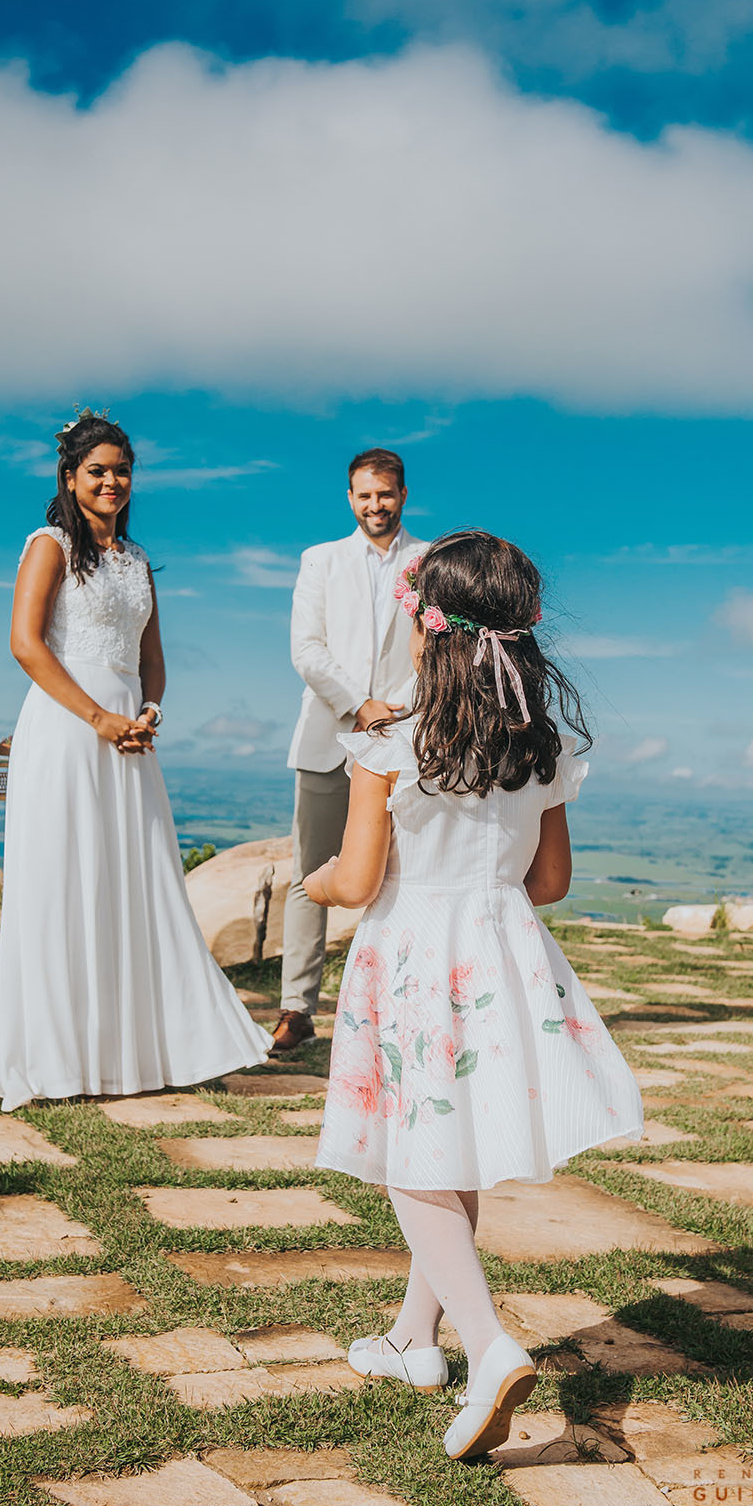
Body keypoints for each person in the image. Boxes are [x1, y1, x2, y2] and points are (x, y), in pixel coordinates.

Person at [305, 531, 643, 1461]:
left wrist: (323, 883)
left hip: (413, 954)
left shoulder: (391, 743)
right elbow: (551, 882)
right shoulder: (540, 746)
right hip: (498, 955)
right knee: (446, 1143)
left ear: (427, 630)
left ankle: (491, 1345)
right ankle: (417, 1339)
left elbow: (365, 876)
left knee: (413, 1157)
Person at [0, 412, 271, 1110]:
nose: (111, 480)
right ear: (71, 477)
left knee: (134, 882)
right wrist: (98, 717)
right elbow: (25, 644)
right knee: (65, 881)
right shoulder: (48, 545)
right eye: (97, 469)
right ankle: (58, 1054)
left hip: (129, 737)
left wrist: (147, 714)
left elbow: (153, 662)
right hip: (66, 729)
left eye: (121, 468)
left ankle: (142, 1047)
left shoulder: (138, 561)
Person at [274, 448, 425, 1055]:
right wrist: (359, 704)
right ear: (349, 497)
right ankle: (296, 1008)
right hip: (324, 736)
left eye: (385, 494)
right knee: (308, 875)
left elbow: (437, 648)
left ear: (403, 495)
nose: (375, 505)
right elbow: (306, 649)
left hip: (405, 740)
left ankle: (393, 1006)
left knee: (401, 876)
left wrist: (397, 710)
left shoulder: (429, 561)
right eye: (364, 495)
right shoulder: (320, 560)